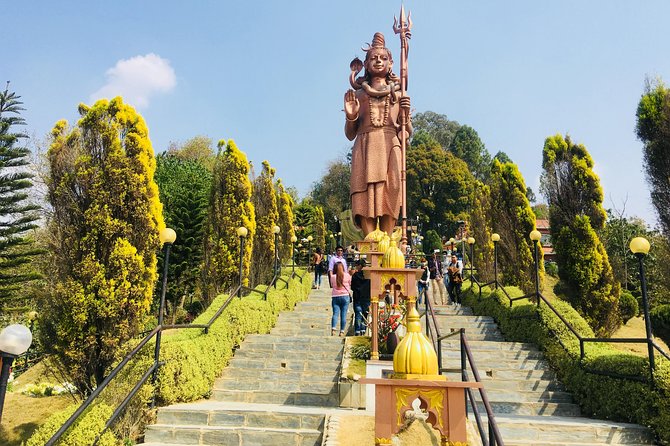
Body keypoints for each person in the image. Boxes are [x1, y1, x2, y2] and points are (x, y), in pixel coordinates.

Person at [344, 32, 411, 236]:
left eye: (383, 58)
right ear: (365, 64)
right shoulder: (358, 95)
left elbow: (406, 134)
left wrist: (405, 117)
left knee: (392, 189)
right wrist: (351, 116)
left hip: (391, 144)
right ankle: (370, 242)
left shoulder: (399, 95)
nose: (379, 61)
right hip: (365, 144)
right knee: (364, 192)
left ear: (391, 63)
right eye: (373, 58)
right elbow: (349, 134)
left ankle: (389, 239)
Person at [330, 262, 352, 336]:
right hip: (345, 296)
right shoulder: (347, 275)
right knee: (344, 314)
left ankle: (333, 328)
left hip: (335, 296)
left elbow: (332, 285)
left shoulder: (333, 277)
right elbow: (350, 284)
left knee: (335, 314)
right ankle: (342, 331)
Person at [351, 259, 371, 336]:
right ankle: (363, 329)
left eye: (357, 265)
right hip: (366, 297)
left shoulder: (355, 276)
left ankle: (357, 331)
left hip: (357, 297)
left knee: (358, 315)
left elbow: (352, 287)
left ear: (360, 266)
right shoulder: (368, 276)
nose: (356, 267)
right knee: (364, 314)